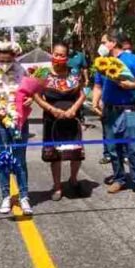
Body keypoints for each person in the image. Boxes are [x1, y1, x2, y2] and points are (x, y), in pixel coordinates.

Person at [92, 31, 135, 196]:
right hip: (110, 111)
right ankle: (119, 179)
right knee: (113, 148)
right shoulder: (102, 63)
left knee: (133, 147)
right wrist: (95, 102)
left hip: (129, 110)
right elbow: (97, 86)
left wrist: (131, 86)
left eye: (104, 42)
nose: (101, 45)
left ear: (112, 42)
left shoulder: (131, 59)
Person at [0, 40, 33, 215]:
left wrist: (29, 100)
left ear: (14, 57)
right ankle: (6, 196)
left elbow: (29, 93)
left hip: (19, 120)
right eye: (1, 60)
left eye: (8, 60)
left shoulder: (21, 71)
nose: (4, 64)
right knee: (3, 159)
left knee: (19, 159)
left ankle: (24, 196)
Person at [34, 42, 87, 200]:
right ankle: (57, 187)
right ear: (52, 54)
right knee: (55, 155)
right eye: (56, 54)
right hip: (52, 120)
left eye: (62, 55)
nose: (58, 57)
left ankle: (73, 179)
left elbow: (84, 93)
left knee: (76, 153)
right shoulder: (42, 73)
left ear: (67, 57)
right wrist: (51, 109)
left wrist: (74, 109)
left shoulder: (74, 73)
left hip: (72, 118)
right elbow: (36, 96)